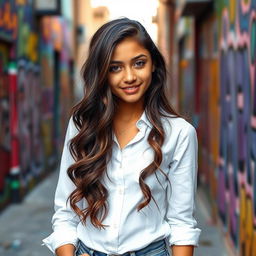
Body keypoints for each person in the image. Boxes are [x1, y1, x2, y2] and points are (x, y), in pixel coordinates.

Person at [43, 18, 201, 256]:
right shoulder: (82, 126)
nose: (129, 77)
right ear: (102, 73)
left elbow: (182, 223)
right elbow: (65, 213)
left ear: (154, 65)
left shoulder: (179, 133)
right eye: (115, 67)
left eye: (139, 63)